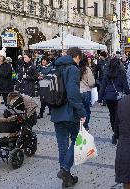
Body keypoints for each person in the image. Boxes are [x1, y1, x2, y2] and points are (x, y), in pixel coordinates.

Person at [50, 47, 86, 188]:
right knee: (78, 139)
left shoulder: (55, 67)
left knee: (62, 144)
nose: (79, 62)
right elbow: (72, 93)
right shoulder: (73, 69)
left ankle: (67, 179)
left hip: (56, 110)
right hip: (69, 112)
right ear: (76, 56)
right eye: (79, 59)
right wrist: (82, 112)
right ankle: (65, 169)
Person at [99, 58, 129, 144]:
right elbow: (125, 86)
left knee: (112, 116)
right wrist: (129, 94)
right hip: (118, 98)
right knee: (118, 116)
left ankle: (114, 132)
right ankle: (116, 135)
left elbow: (103, 86)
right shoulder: (122, 72)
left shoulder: (107, 72)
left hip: (108, 98)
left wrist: (100, 98)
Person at [0, 49, 14, 117]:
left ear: (4, 57)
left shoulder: (8, 65)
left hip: (5, 86)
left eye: (1, 56)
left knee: (6, 102)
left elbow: (6, 74)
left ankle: (9, 114)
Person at [79, 56, 95, 131]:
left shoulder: (75, 69)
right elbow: (91, 82)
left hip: (77, 91)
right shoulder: (87, 69)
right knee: (86, 110)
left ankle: (78, 126)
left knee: (78, 109)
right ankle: (85, 126)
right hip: (86, 91)